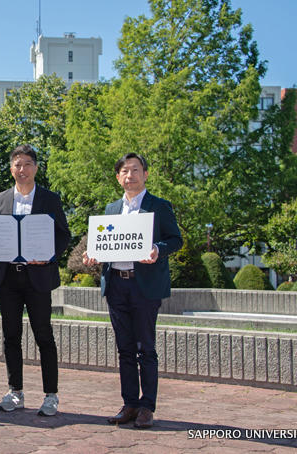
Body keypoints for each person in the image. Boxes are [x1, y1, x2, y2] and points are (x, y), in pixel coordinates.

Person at [83, 153, 182, 429]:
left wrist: (158, 250)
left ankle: (147, 405)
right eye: (125, 171)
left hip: (145, 286)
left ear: (145, 174)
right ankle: (129, 404)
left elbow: (176, 240)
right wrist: (92, 256)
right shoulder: (111, 208)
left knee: (145, 348)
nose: (130, 175)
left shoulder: (159, 206)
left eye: (135, 170)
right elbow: (102, 245)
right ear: (118, 177)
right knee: (124, 348)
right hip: (116, 284)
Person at [0, 144, 71, 416]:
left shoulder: (50, 198)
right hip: (8, 277)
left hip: (38, 278)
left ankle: (51, 395)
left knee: (43, 336)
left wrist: (48, 255)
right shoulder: (0, 199)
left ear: (35, 167)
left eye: (27, 164)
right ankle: (15, 392)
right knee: (11, 336)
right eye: (17, 165)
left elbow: (63, 235)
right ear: (11, 169)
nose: (21, 170)